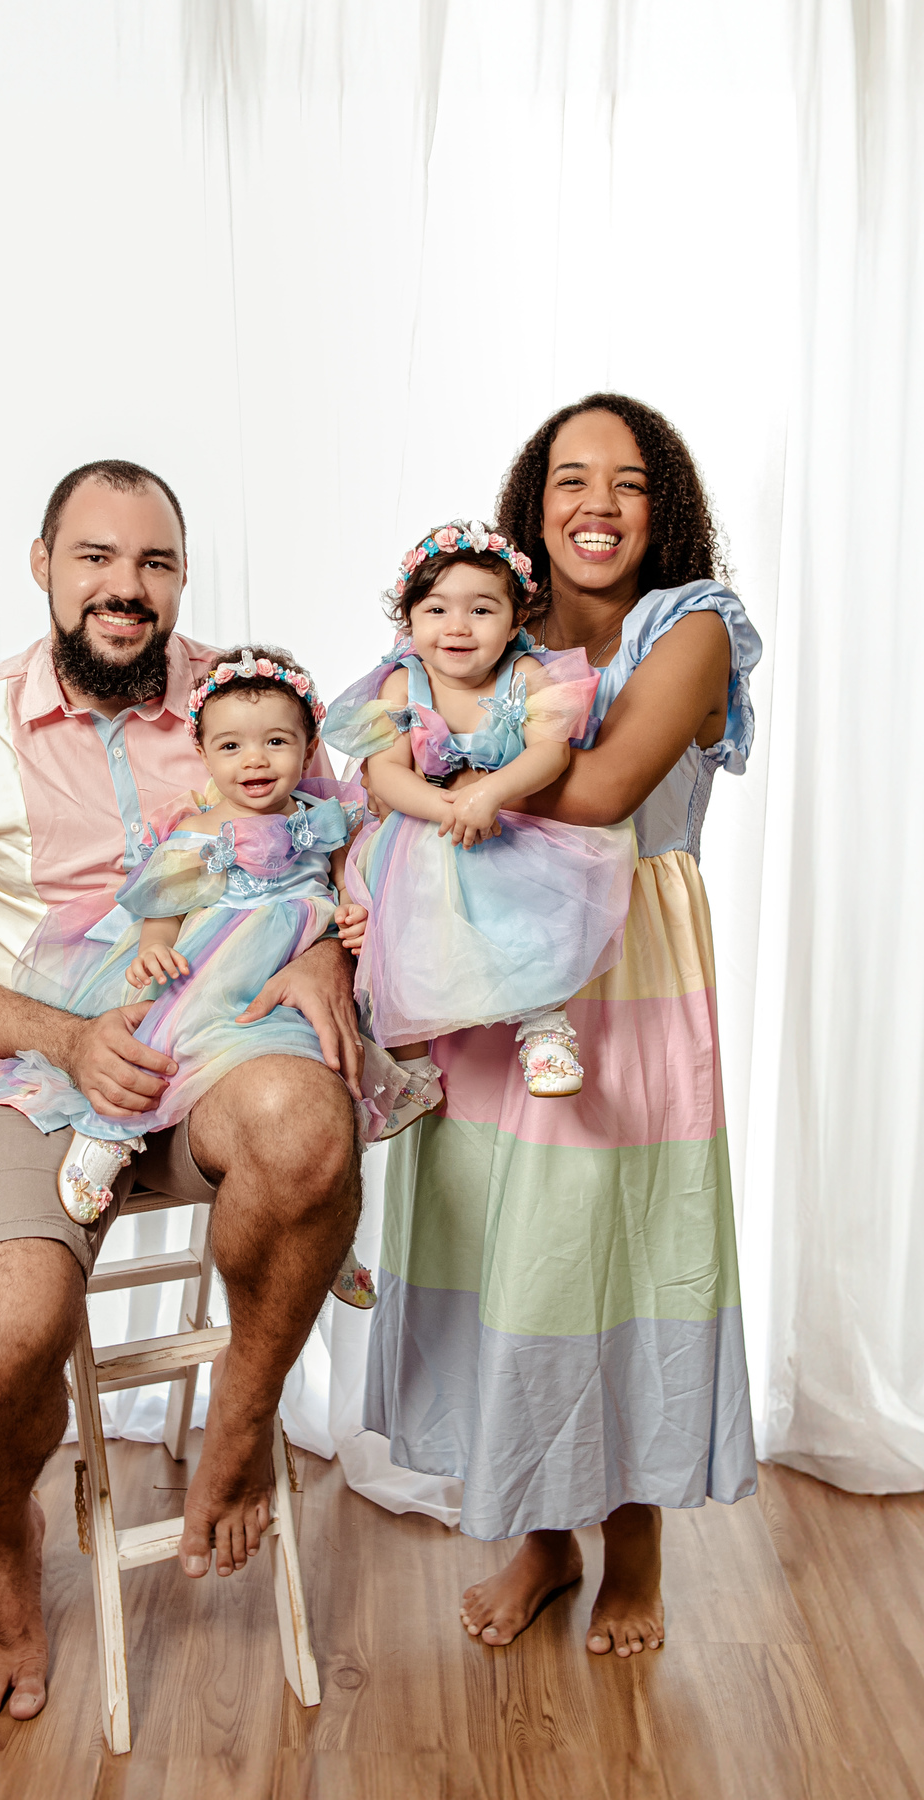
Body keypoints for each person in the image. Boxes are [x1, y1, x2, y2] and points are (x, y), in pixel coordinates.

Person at [0, 461, 369, 1723]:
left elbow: (346, 853)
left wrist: (314, 945)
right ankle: (2, 1545)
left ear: (182, 577)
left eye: (153, 562)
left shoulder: (253, 700)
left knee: (308, 1128)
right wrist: (71, 1033)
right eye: (94, 557)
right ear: (42, 564)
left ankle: (241, 1435)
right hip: (35, 1069)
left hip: (212, 1046)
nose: (124, 588)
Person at [362, 396, 761, 1657]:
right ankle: (541, 1537)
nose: (599, 503)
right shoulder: (492, 623)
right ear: (532, 506)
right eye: (571, 479)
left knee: (620, 1247)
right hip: (484, 962)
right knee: (510, 1249)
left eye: (630, 482)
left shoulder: (688, 629)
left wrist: (438, 783)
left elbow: (593, 789)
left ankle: (632, 1546)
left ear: (666, 509)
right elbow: (366, 736)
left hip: (624, 963)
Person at [0, 642, 421, 1307]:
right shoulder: (201, 829)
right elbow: (162, 904)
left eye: (276, 742)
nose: (255, 761)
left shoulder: (320, 817)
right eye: (233, 747)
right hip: (219, 967)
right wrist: (154, 947)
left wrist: (350, 923)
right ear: (206, 753)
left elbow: (345, 884)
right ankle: (106, 1138)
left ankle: (330, 1236)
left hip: (295, 983)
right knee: (158, 1046)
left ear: (306, 750)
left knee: (328, 1087)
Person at [323, 519, 636, 1097]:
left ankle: (544, 1021)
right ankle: (411, 1062)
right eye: (436, 611)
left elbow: (551, 754)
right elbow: (386, 773)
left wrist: (488, 794)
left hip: (508, 823)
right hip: (426, 828)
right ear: (409, 620)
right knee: (401, 935)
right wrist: (447, 807)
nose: (457, 628)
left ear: (516, 619)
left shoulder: (527, 673)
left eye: (482, 611)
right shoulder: (402, 685)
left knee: (536, 913)